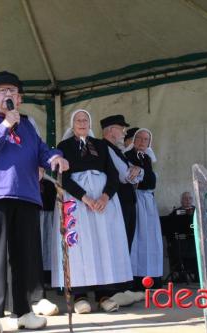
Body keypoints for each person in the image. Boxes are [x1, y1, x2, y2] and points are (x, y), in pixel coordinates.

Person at [0, 71, 68, 333]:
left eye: (12, 90)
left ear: (20, 98)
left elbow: (42, 151)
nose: (7, 94)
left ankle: (23, 311)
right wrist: (4, 126)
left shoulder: (28, 125)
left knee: (24, 255)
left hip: (26, 194)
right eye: (1, 90)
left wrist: (55, 158)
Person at [52, 109, 134, 314]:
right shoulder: (65, 146)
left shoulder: (100, 145)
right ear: (72, 124)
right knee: (79, 246)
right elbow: (63, 177)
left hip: (103, 203)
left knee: (102, 244)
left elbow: (113, 175)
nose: (82, 123)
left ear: (90, 124)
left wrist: (105, 196)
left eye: (85, 120)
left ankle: (104, 295)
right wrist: (85, 198)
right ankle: (79, 295)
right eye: (78, 120)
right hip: (77, 201)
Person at [124, 128, 163, 289]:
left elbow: (151, 182)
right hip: (135, 200)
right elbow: (134, 181)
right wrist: (144, 176)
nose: (142, 142)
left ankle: (151, 277)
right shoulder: (127, 156)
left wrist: (143, 174)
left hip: (148, 202)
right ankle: (135, 278)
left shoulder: (146, 158)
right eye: (139, 138)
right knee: (137, 239)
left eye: (145, 139)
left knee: (150, 239)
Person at [101, 115, 143, 251]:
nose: (124, 132)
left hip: (127, 203)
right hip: (118, 203)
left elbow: (138, 174)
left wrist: (138, 170)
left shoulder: (118, 151)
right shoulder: (105, 148)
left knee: (127, 243)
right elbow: (125, 175)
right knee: (120, 245)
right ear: (112, 130)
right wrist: (135, 172)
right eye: (122, 129)